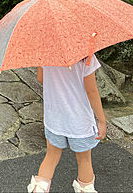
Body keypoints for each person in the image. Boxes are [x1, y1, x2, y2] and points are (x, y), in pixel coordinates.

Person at [27, 54, 106, 193]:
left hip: (54, 119)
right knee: (84, 161)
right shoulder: (85, 56)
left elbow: (41, 79)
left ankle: (38, 190)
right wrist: (102, 120)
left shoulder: (45, 53)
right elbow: (91, 91)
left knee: (50, 158)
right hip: (80, 122)